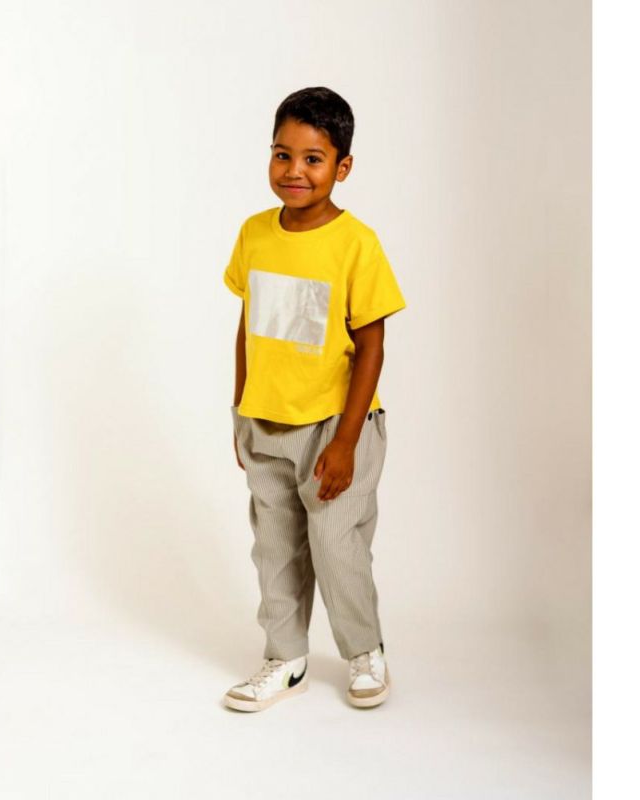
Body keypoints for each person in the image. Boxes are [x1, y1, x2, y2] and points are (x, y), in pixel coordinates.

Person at [221, 87, 406, 712]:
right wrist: (240, 409)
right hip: (266, 422)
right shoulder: (254, 234)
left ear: (342, 166)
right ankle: (285, 657)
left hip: (335, 427)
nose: (294, 171)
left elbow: (372, 346)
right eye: (282, 154)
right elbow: (248, 325)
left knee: (336, 546)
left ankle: (364, 651)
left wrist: (348, 440)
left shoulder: (356, 244)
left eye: (313, 159)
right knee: (274, 546)